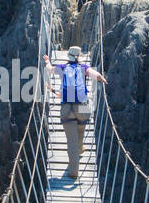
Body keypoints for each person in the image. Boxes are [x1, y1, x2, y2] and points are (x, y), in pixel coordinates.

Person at [43, 45, 106, 178]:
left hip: (66, 107)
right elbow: (96, 75)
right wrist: (102, 78)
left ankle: (73, 172)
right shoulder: (84, 68)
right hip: (82, 106)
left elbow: (49, 69)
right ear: (79, 58)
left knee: (70, 140)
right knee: (81, 129)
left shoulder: (62, 68)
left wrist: (48, 61)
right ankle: (81, 146)